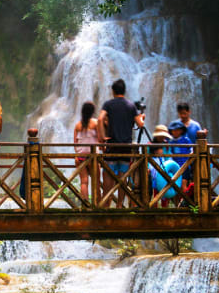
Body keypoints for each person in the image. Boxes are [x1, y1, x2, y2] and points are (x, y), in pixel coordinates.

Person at [98, 79, 145, 207]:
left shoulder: (108, 104)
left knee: (108, 175)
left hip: (112, 146)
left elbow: (100, 118)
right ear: (124, 91)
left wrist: (102, 138)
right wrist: (142, 118)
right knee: (123, 178)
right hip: (126, 148)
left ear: (113, 91)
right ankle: (119, 205)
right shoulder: (131, 106)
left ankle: (106, 204)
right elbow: (140, 124)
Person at [148, 125, 183, 206]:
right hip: (153, 172)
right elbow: (147, 159)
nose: (162, 137)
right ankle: (154, 206)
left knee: (166, 189)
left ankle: (166, 206)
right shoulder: (150, 145)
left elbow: (169, 158)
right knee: (155, 191)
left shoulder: (166, 145)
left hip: (165, 170)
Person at [73, 101, 100, 201]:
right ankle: (97, 205)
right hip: (92, 157)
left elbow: (75, 142)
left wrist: (76, 155)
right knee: (96, 182)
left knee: (84, 182)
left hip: (80, 157)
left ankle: (85, 205)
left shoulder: (77, 125)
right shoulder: (96, 123)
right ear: (93, 112)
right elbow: (100, 139)